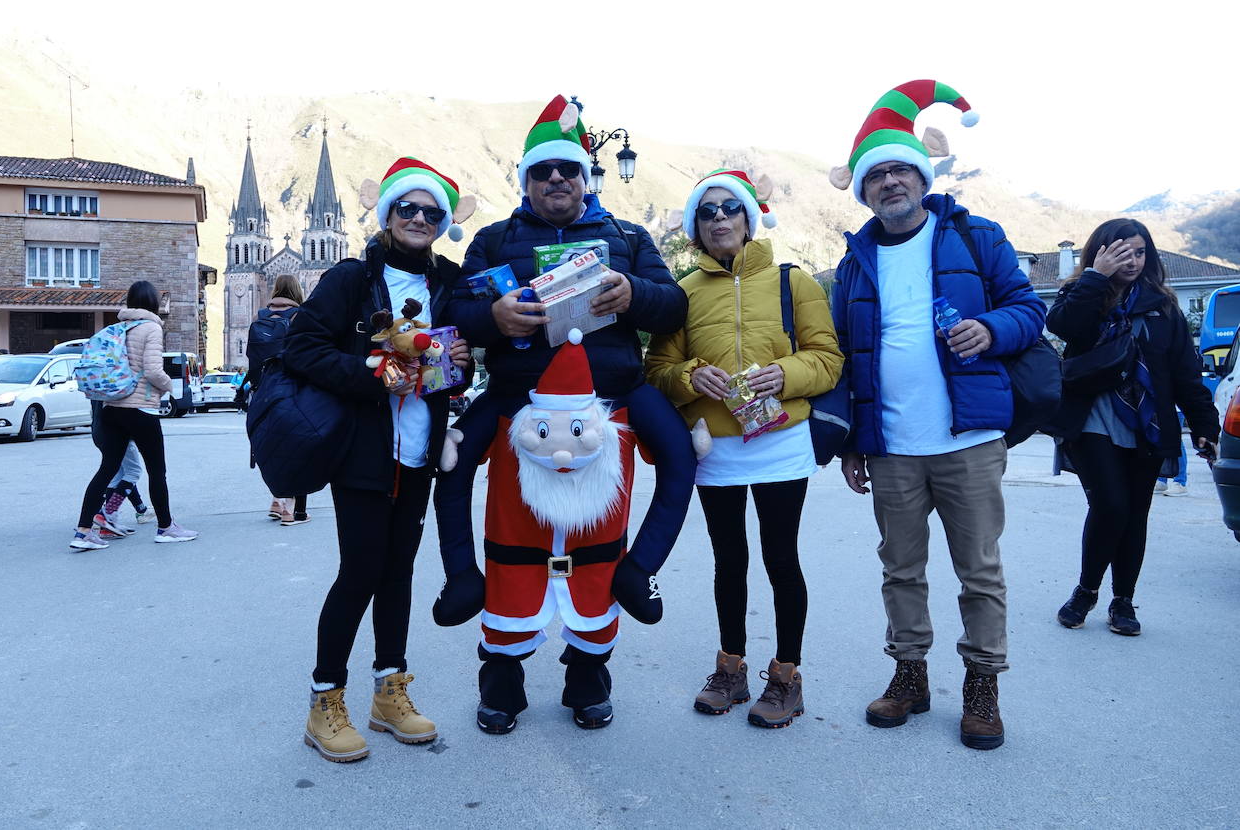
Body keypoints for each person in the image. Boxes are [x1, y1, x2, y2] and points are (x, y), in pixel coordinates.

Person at [434, 94, 697, 734]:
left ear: (584, 178)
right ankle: (488, 639)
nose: (557, 179)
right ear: (525, 180)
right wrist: (490, 318)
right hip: (516, 406)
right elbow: (457, 318)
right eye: (543, 171)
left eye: (569, 171)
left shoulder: (629, 239)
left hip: (611, 406)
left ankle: (603, 644)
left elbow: (673, 309)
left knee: (673, 470)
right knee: (458, 476)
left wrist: (635, 294)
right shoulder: (494, 241)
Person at [827, 80, 1046, 751]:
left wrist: (991, 330)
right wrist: (851, 444)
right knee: (900, 569)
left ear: (922, 177)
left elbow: (1030, 310)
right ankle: (910, 676)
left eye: (901, 169)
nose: (890, 181)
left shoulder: (976, 236)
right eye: (877, 174)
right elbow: (841, 356)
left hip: (970, 438)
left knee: (979, 571)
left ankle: (983, 687)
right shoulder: (853, 264)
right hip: (891, 445)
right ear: (864, 191)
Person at [283, 158, 473, 763]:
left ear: (444, 222)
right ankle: (324, 701)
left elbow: (454, 359)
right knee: (360, 572)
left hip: (419, 453)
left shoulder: (448, 280)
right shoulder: (350, 277)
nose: (418, 218)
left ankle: (390, 692)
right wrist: (372, 374)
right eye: (406, 208)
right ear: (387, 213)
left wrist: (459, 364)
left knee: (397, 575)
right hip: (363, 451)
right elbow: (301, 348)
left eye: (431, 211)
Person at [645, 170, 842, 728]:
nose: (720, 218)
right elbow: (655, 369)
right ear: (695, 229)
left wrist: (782, 373)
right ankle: (730, 670)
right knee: (729, 561)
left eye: (730, 207)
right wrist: (689, 377)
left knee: (781, 559)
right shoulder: (682, 293)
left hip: (780, 441)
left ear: (749, 217)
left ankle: (786, 677)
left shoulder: (793, 281)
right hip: (716, 450)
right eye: (706, 213)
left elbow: (827, 357)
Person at [1048, 219, 1219, 635]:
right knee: (1111, 504)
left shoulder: (1164, 308)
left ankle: (1122, 601)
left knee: (1136, 513)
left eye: (1140, 253)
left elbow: (1185, 373)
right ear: (1101, 253)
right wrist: (1096, 278)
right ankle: (1087, 590)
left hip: (1148, 421)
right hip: (1092, 417)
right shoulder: (1082, 293)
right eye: (1122, 252)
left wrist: (1203, 425)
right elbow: (1064, 326)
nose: (1133, 261)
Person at [70, 281, 198, 550]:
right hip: (140, 408)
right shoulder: (151, 328)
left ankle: (83, 531)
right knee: (156, 471)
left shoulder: (118, 327)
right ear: (154, 303)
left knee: (107, 470)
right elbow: (152, 370)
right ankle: (166, 527)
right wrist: (169, 386)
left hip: (111, 409)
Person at [249, 274, 311, 525]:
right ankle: (295, 511)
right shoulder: (300, 316)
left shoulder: (259, 316)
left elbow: (252, 357)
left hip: (264, 392)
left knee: (274, 447)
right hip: (292, 389)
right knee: (301, 448)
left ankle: (277, 499)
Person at [1155, 410, 1190, 496]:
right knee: (1162, 440)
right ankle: (1161, 479)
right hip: (1161, 405)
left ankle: (1180, 482)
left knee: (1175, 440)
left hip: (1176, 407)